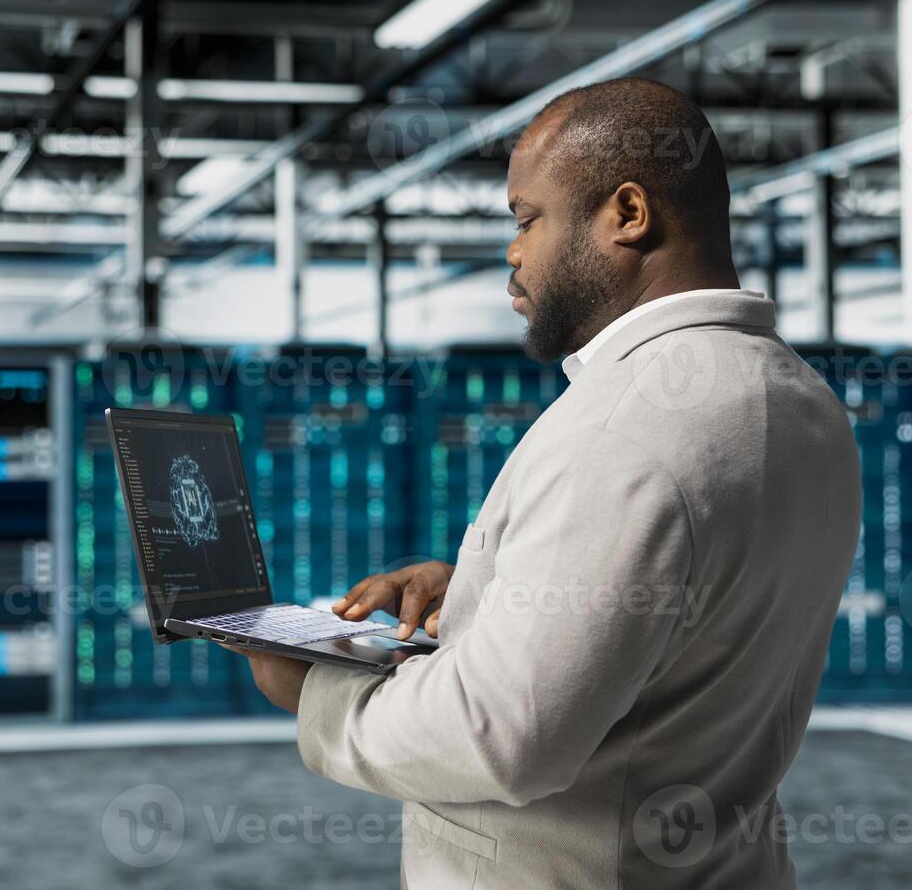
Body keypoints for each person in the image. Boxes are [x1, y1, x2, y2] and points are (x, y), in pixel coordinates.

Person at [226, 76, 862, 888]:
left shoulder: (626, 423)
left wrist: (316, 690)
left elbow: (506, 735)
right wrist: (495, 597)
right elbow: (681, 624)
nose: (513, 251)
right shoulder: (805, 405)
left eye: (528, 218)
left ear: (629, 215)